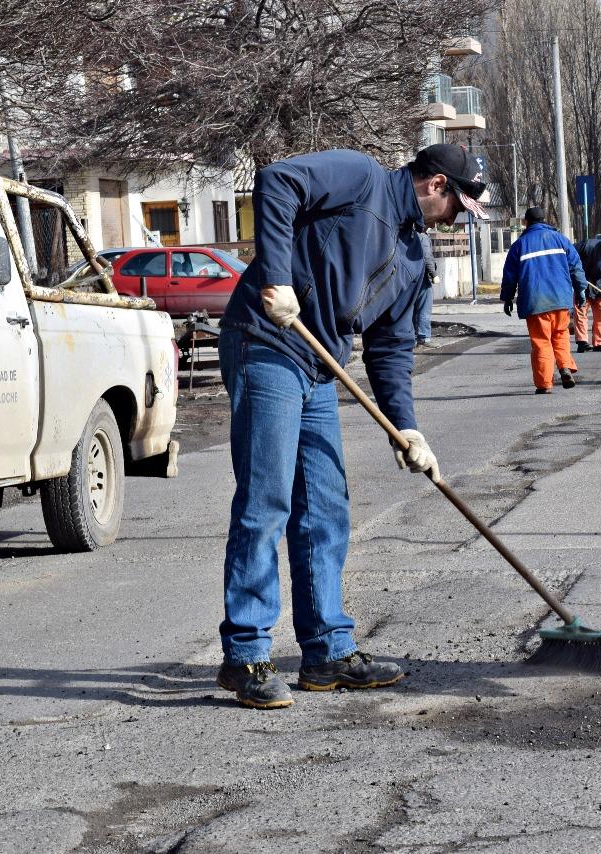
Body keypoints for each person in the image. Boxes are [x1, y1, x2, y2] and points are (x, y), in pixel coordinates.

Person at [215, 143, 489, 709]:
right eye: (458, 206)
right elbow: (277, 181)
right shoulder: (361, 179)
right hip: (267, 339)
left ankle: (327, 653)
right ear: (436, 184)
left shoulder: (415, 258)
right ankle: (245, 655)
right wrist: (276, 276)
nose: (457, 219)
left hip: (319, 362)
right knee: (267, 500)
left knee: (324, 505)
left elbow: (391, 349)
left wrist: (405, 428)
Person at [501, 207, 587, 393]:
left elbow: (509, 276)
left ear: (526, 222)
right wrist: (581, 290)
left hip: (535, 301)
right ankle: (564, 367)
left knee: (541, 342)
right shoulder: (560, 240)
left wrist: (507, 298)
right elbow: (576, 267)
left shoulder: (520, 245)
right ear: (544, 220)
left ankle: (544, 384)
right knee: (560, 335)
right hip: (560, 299)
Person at [413, 230, 438, 349]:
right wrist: (433, 274)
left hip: (409, 277)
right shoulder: (422, 236)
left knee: (412, 310)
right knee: (424, 309)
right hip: (422, 278)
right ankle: (424, 338)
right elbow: (426, 256)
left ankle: (412, 338)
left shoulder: (408, 233)